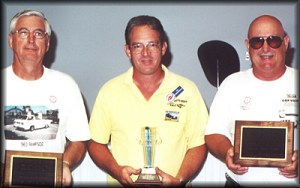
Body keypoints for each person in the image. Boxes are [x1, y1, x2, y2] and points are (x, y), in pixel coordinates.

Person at [88, 15, 208, 187]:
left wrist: (180, 180)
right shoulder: (109, 91)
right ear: (127, 50)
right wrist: (116, 170)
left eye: (152, 45)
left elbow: (198, 143)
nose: (146, 53)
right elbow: (95, 143)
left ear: (163, 47)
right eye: (138, 46)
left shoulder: (187, 90)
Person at [205, 15, 298, 187]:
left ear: (285, 43)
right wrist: (228, 152)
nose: (265, 48)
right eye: (257, 42)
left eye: (273, 40)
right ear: (248, 45)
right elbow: (213, 133)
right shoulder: (231, 84)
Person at [1, 10, 90, 186]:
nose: (31, 40)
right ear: (11, 40)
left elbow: (79, 139)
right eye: (24, 32)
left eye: (39, 34)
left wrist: (64, 164)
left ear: (47, 43)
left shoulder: (67, 85)